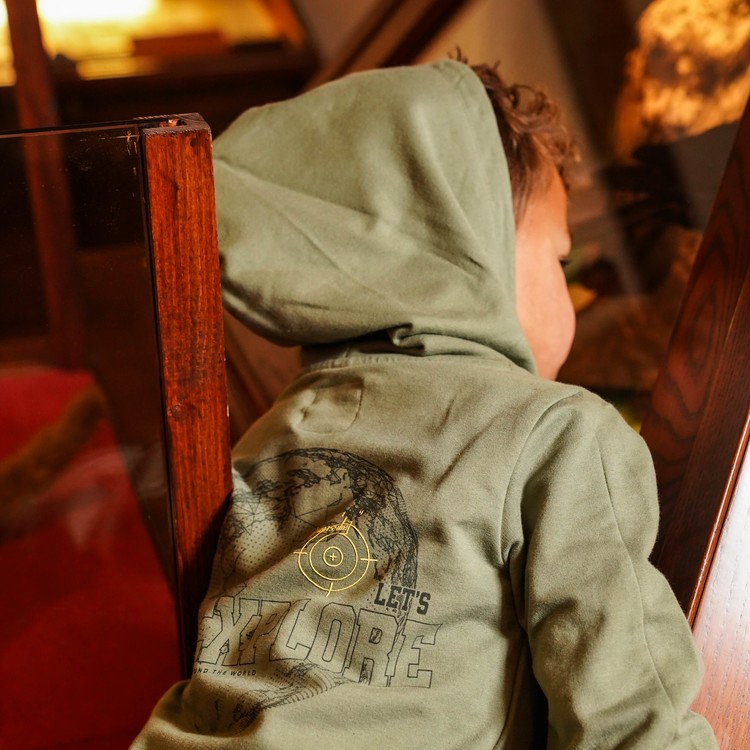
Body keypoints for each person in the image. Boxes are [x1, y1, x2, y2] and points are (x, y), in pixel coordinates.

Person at [132, 59, 717, 749]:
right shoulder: (558, 431)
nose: (572, 294)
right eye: (558, 261)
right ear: (474, 249)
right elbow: (630, 722)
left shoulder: (270, 435)